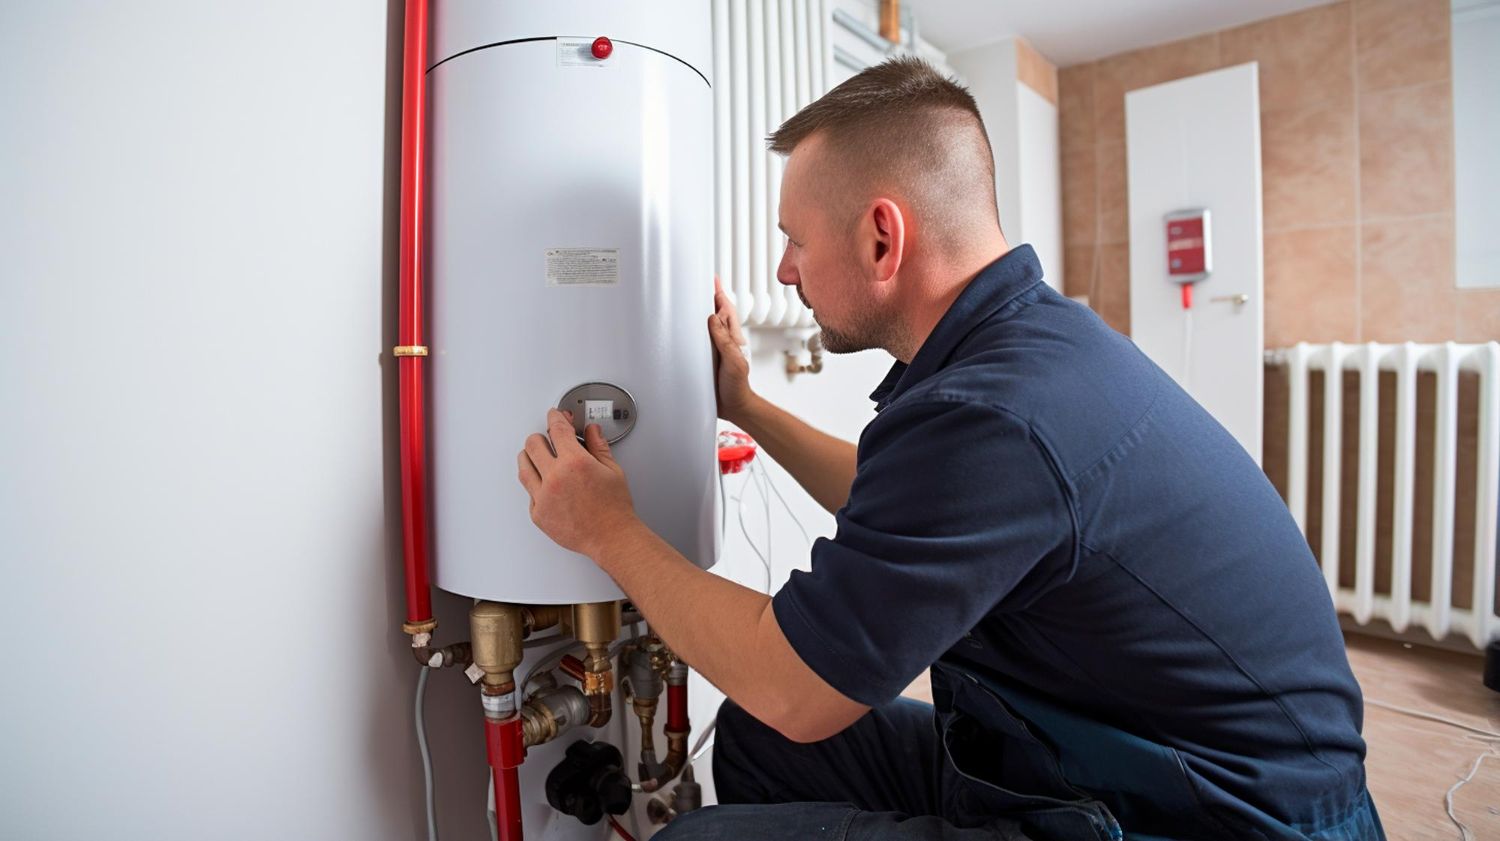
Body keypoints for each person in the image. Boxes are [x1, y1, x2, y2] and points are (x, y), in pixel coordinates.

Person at [515, 56, 1383, 840]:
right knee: (753, 738)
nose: (784, 270)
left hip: (1209, 816)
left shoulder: (995, 411)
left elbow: (794, 686)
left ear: (883, 238)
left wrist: (608, 531)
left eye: (796, 239)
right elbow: (898, 499)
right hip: (1116, 754)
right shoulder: (1020, 352)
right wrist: (746, 403)